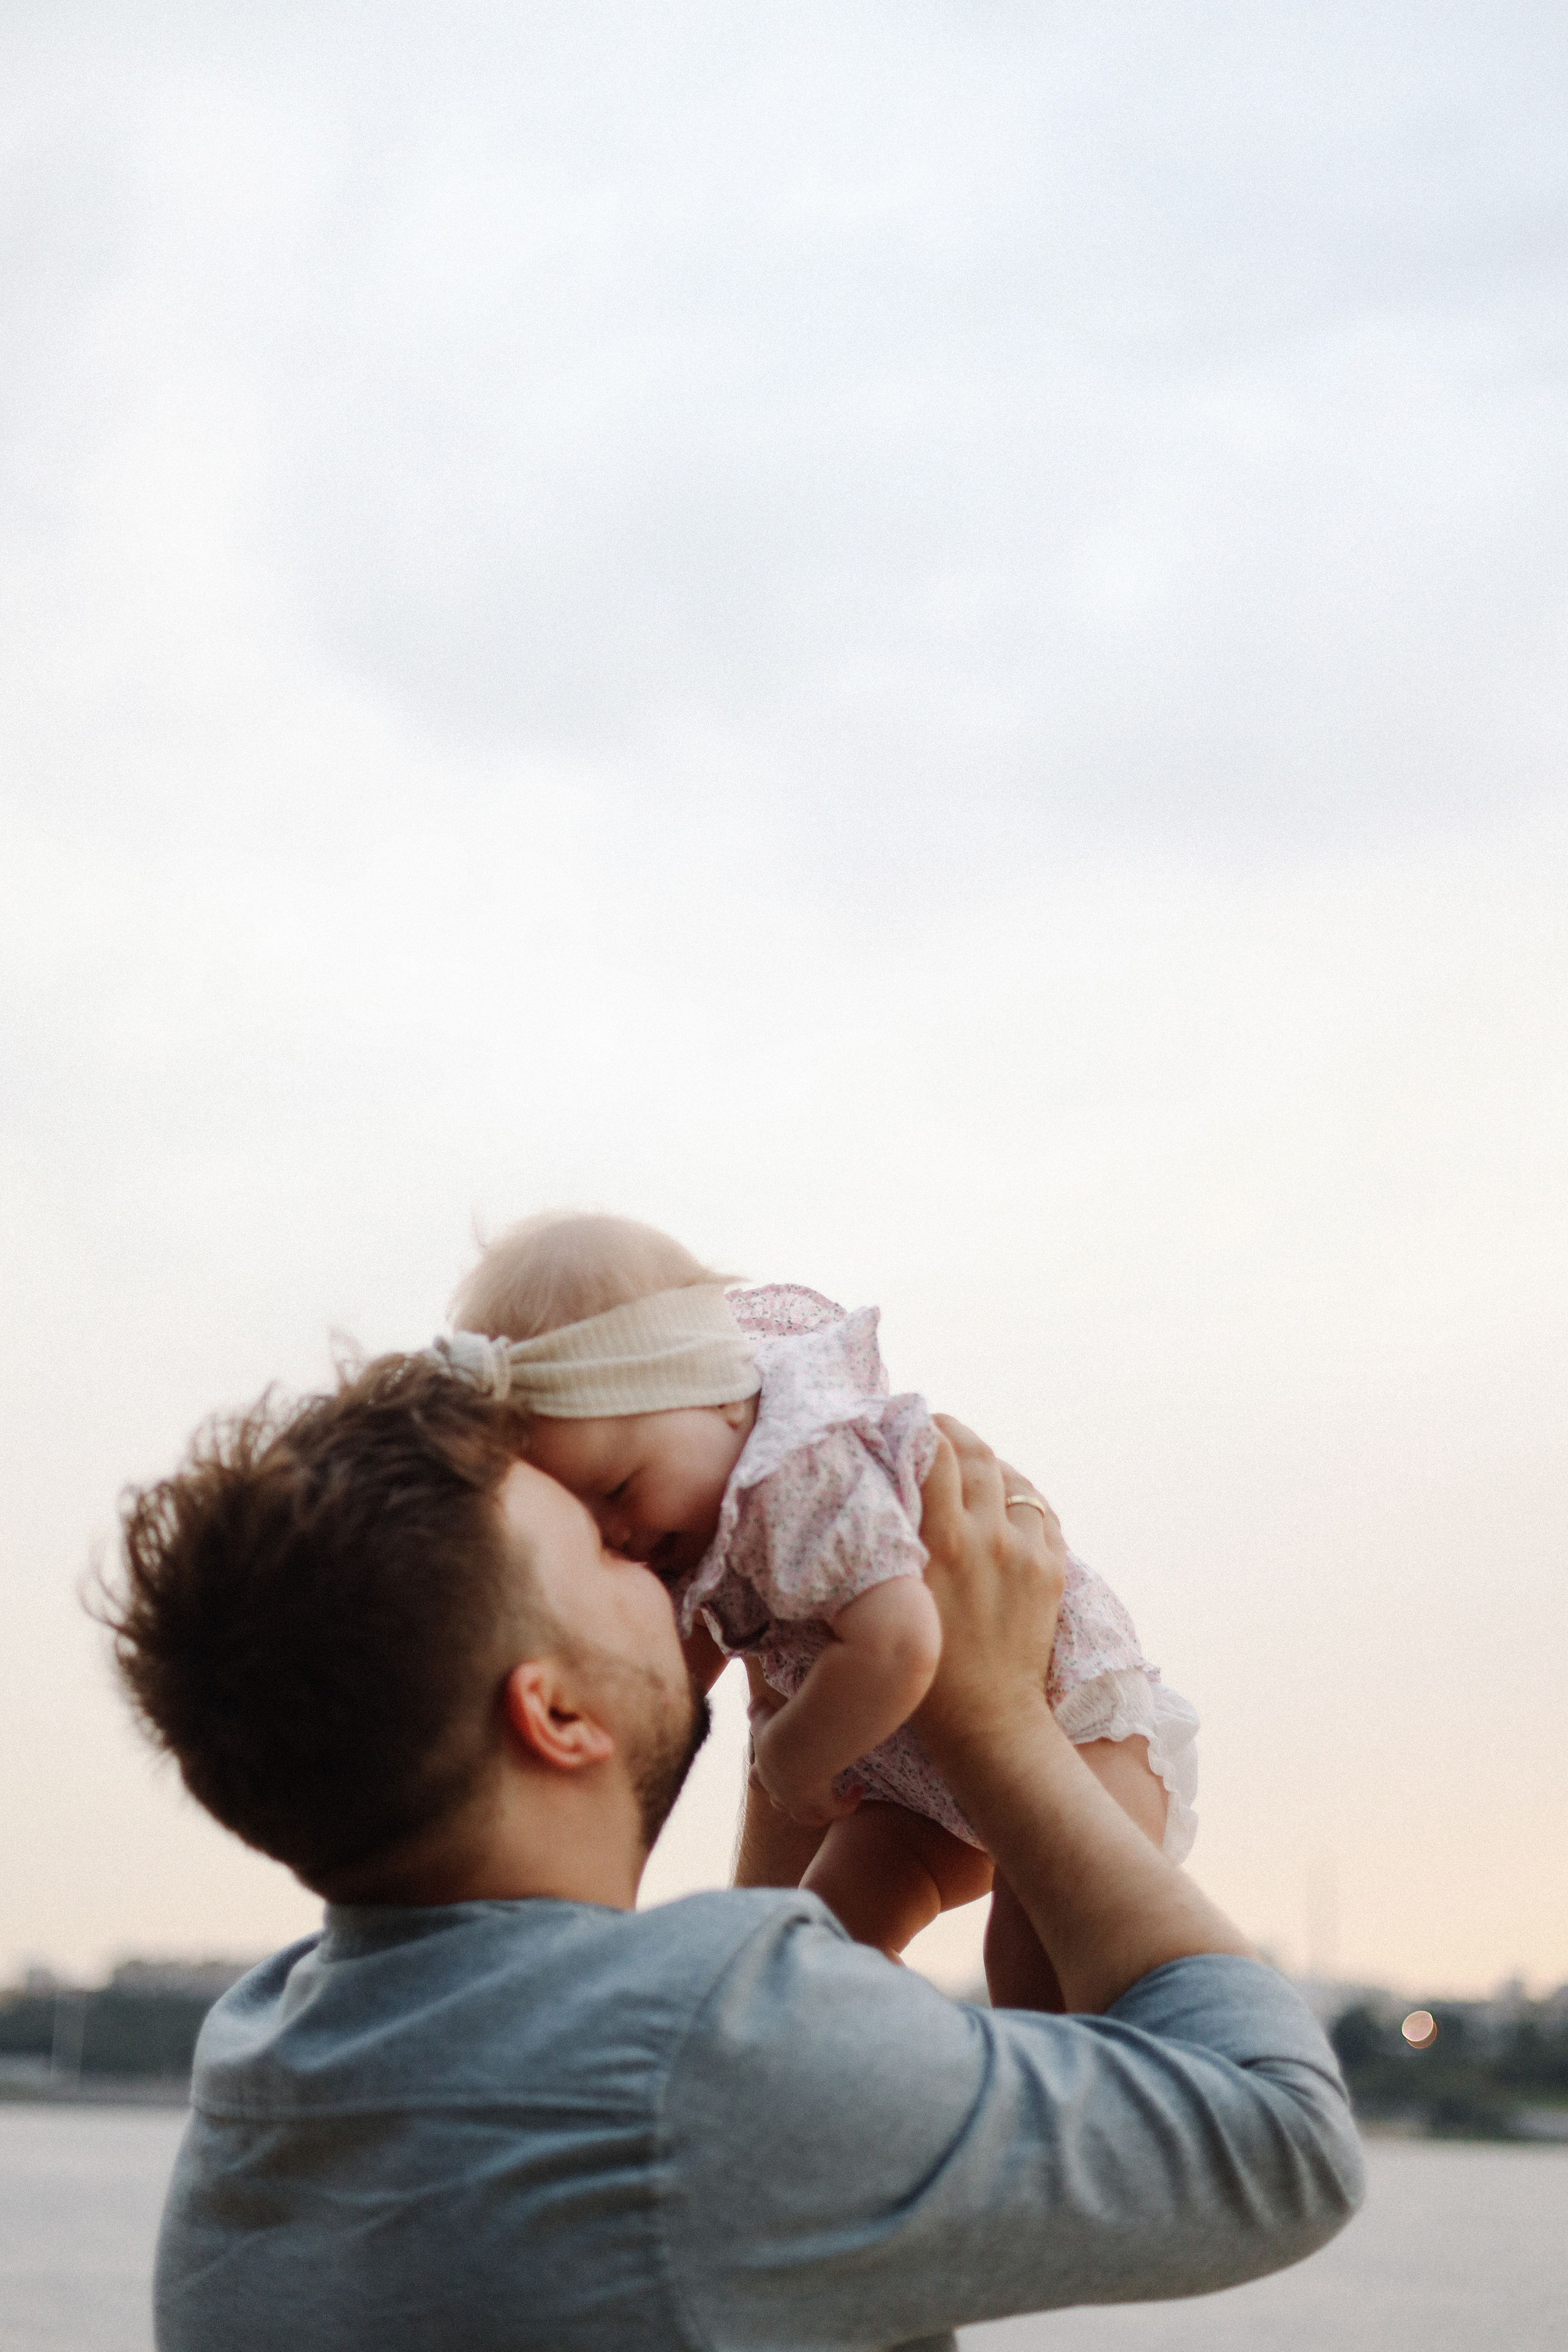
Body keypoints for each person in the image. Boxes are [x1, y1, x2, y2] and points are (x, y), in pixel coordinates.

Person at [100, 1347, 1362, 2351]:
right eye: (607, 1547)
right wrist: (993, 1722)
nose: (662, 1560)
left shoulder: (265, 2062)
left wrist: (788, 1741)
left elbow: (694, 2103)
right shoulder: (702, 2068)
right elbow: (1279, 2143)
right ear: (552, 1712)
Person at [443, 1212, 1197, 1964]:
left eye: (618, 1486)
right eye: (583, 1515)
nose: (617, 1533)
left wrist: (792, 1760)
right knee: (807, 1951)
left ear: (719, 1397)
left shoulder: (798, 1469)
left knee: (1030, 1963)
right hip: (913, 1787)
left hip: (1071, 1730)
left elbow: (898, 1641)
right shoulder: (698, 1510)